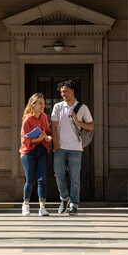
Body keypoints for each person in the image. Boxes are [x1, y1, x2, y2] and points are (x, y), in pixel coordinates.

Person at [51, 80, 94, 216]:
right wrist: (56, 144)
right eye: (62, 91)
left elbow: (91, 126)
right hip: (60, 148)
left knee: (75, 177)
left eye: (65, 91)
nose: (63, 93)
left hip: (76, 148)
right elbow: (53, 126)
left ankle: (74, 204)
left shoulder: (82, 108)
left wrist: (77, 121)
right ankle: (64, 198)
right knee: (59, 175)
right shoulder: (57, 107)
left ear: (72, 91)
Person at [19, 93, 52, 216]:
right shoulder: (27, 119)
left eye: (43, 103)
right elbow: (25, 140)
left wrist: (48, 137)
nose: (43, 105)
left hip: (42, 150)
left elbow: (47, 132)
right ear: (33, 105)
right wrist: (39, 138)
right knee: (30, 180)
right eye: (40, 103)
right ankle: (25, 204)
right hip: (29, 152)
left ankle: (42, 207)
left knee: (42, 179)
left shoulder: (43, 116)